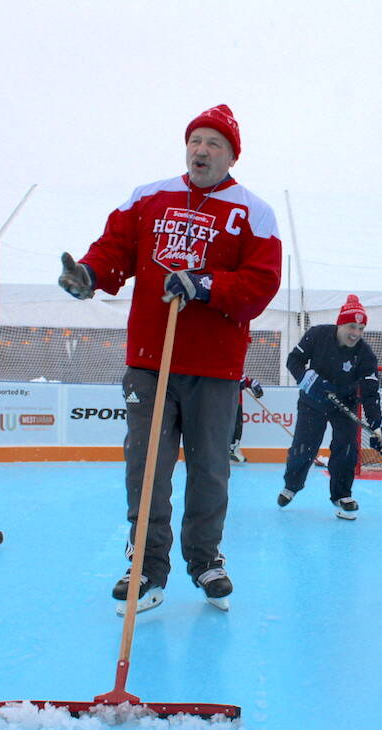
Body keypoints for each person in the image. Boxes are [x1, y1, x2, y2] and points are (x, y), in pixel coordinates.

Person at [57, 105, 281, 611]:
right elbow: (114, 249)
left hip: (214, 367)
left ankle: (205, 560)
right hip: (150, 361)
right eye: (195, 141)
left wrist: (204, 284)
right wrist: (90, 275)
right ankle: (145, 568)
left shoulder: (254, 212)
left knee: (209, 473)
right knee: (147, 470)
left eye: (214, 144)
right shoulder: (148, 197)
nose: (202, 150)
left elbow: (261, 284)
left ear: (231, 155)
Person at [277, 294, 382, 520]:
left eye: (361, 328)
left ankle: (342, 494)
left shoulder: (366, 354)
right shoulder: (317, 334)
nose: (356, 333)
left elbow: (370, 392)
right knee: (304, 447)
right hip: (312, 401)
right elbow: (294, 360)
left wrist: (378, 423)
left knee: (347, 448)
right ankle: (292, 485)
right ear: (341, 323)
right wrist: (309, 380)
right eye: (352, 326)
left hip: (344, 405)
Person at [230, 374, 263, 464]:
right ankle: (228, 449)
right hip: (225, 402)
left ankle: (234, 449)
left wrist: (253, 383)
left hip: (237, 403)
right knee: (229, 425)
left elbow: (245, 380)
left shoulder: (237, 367)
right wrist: (236, 383)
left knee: (238, 426)